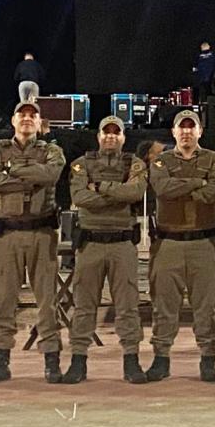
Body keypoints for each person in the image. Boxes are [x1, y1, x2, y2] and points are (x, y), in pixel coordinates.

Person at [0, 101, 66, 384]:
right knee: (4, 301)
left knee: (47, 301)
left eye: (33, 115)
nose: (27, 119)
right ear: (13, 120)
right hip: (8, 234)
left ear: (40, 122)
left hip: (42, 234)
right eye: (22, 115)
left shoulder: (51, 151)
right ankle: (0, 361)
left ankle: (51, 361)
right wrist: (30, 175)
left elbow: (51, 174)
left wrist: (11, 172)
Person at [61, 115, 148, 385]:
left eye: (116, 132)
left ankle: (131, 361)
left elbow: (135, 193)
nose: (111, 136)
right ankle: (78, 361)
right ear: (98, 136)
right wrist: (115, 192)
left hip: (122, 244)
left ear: (123, 137)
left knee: (128, 306)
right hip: (91, 244)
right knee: (84, 306)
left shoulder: (134, 163)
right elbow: (80, 197)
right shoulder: (80, 164)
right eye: (106, 132)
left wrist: (99, 187)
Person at [146, 110, 215, 382]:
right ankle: (161, 358)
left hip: (203, 242)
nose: (186, 132)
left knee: (206, 306)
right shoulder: (161, 162)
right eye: (182, 128)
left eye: (192, 128)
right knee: (164, 305)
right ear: (173, 132)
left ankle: (208, 358)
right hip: (168, 242)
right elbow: (162, 189)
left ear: (200, 132)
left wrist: (180, 186)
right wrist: (196, 183)